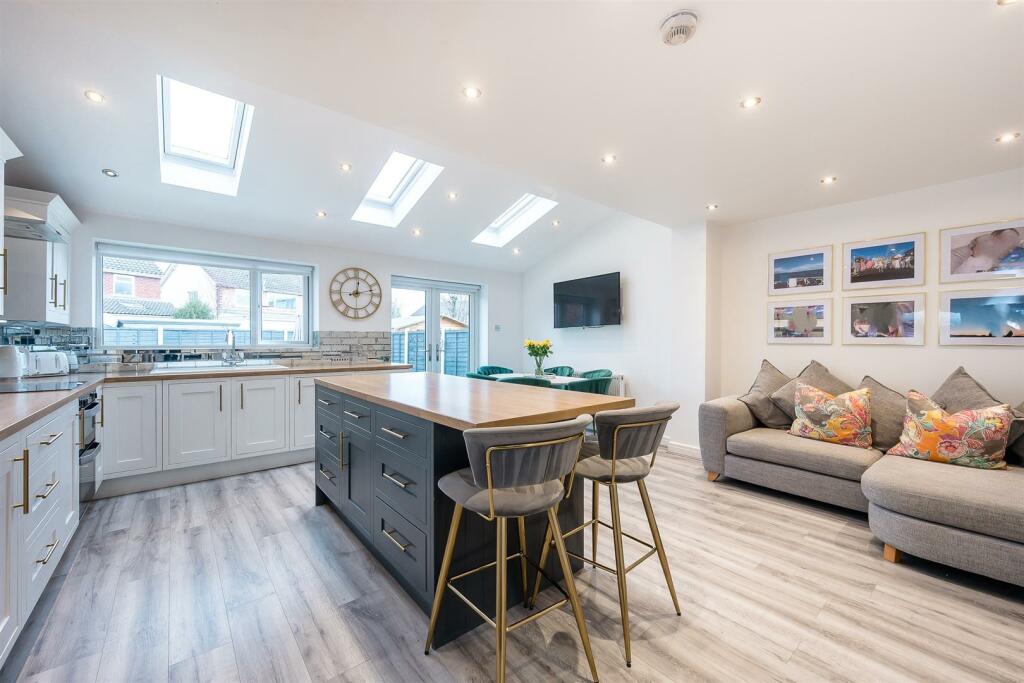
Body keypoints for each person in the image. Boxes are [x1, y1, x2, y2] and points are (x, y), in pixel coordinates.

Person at [951, 227, 1023, 274]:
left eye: (1012, 245)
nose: (1010, 249)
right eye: (1006, 241)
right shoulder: (967, 255)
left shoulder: (1005, 261)